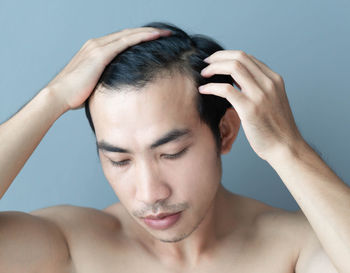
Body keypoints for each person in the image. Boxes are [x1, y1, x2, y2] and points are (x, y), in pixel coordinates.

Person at [0, 21, 347, 273]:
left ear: (225, 133)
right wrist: (52, 98)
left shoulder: (295, 247)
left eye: (171, 153)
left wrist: (287, 148)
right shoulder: (70, 246)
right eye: (119, 160)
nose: (150, 194)